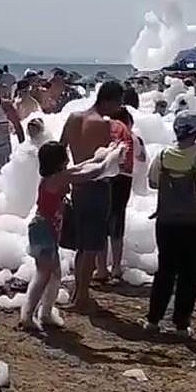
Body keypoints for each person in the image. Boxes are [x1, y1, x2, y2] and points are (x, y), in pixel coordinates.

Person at [20, 141, 124, 331]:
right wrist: (113, 155)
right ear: (59, 161)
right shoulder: (56, 179)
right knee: (44, 275)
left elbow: (84, 166)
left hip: (46, 230)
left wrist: (106, 153)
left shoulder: (56, 177)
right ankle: (28, 315)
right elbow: (93, 172)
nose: (68, 160)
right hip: (43, 230)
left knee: (54, 275)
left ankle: (45, 313)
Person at [144, 111, 196, 336]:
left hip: (167, 221)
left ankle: (153, 320)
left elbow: (153, 183)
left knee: (165, 270)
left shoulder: (162, 156)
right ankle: (181, 324)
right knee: (190, 272)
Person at [59, 80, 124, 310]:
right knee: (92, 245)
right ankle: (82, 296)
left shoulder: (73, 118)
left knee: (81, 244)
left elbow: (60, 150)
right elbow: (104, 162)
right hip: (96, 186)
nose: (118, 108)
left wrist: (64, 179)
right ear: (110, 100)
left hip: (77, 185)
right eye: (118, 103)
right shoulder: (103, 124)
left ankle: (78, 293)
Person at [95, 107, 135, 281]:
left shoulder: (104, 127)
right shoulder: (129, 134)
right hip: (124, 176)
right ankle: (116, 267)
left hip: (104, 175)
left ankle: (101, 268)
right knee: (118, 219)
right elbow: (140, 157)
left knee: (101, 221)